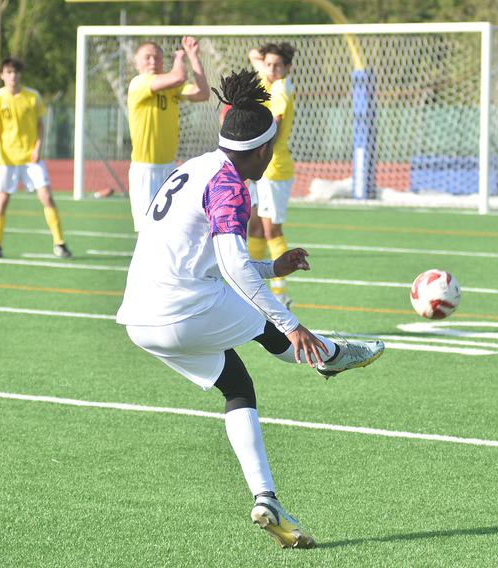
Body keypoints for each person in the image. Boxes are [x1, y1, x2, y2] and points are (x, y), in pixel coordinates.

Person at [116, 68, 384, 550]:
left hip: (140, 318)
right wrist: (290, 321)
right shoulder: (230, 185)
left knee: (236, 384)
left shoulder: (193, 167)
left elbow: (214, 258)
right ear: (261, 151)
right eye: (273, 146)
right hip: (182, 309)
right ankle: (328, 354)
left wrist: (272, 265)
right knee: (268, 328)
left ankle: (267, 499)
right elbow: (233, 266)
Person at [0, 57, 71, 259]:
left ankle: (59, 243)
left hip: (31, 159)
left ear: (21, 74)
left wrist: (38, 147)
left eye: (16, 72)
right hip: (6, 160)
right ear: (2, 75)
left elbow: (41, 125)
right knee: (2, 201)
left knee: (47, 197)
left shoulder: (33, 96)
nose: (13, 76)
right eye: (9, 72)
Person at [127, 36, 210, 231]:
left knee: (169, 229)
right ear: (136, 63)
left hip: (169, 168)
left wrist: (193, 56)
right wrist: (179, 58)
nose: (153, 62)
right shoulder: (138, 83)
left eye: (157, 58)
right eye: (147, 57)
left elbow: (203, 93)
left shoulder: (172, 89)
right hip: (146, 170)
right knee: (148, 231)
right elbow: (178, 76)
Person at [248, 43, 297, 307]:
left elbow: (275, 125)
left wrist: (254, 147)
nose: (271, 69)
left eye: (278, 65)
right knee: (254, 226)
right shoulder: (269, 79)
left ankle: (280, 294)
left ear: (287, 68)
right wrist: (263, 58)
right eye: (268, 64)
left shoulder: (280, 87)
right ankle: (252, 288)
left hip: (274, 167)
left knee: (271, 230)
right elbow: (254, 54)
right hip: (261, 166)